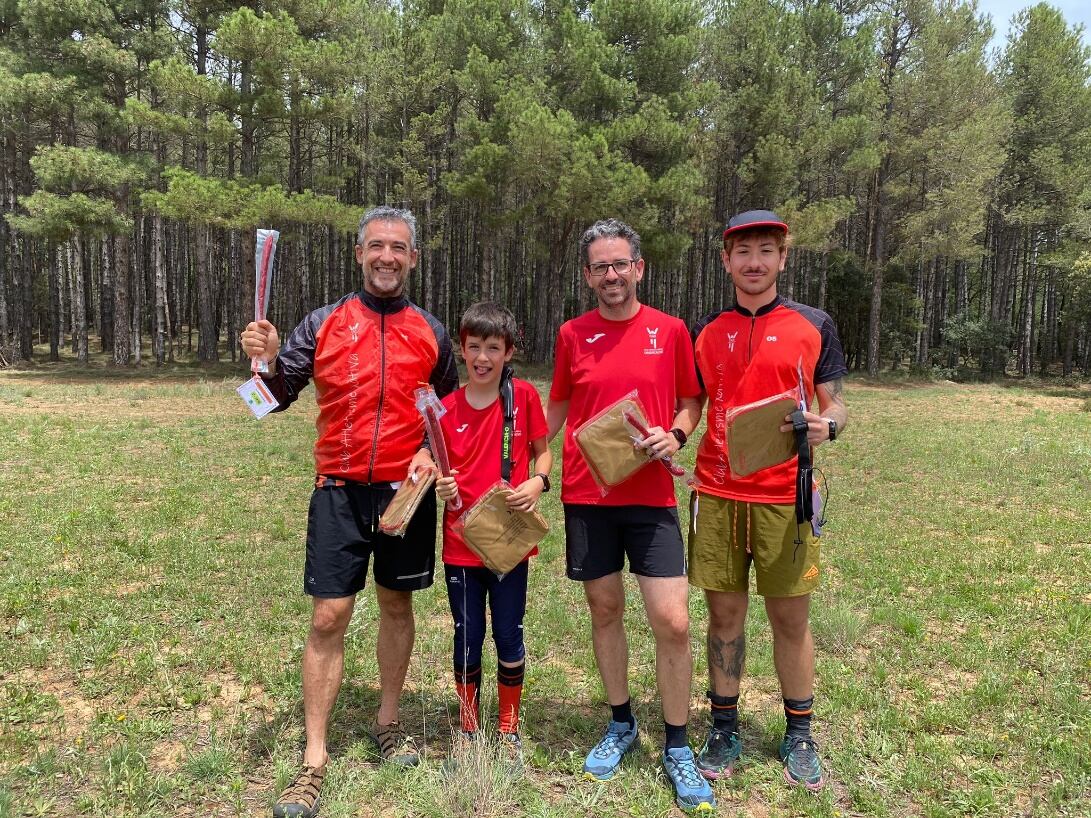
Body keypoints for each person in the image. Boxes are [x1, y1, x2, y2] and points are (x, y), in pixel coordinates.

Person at [240, 206, 458, 818]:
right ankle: (314, 759)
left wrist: (429, 451)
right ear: (359, 254)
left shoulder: (431, 331)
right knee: (329, 616)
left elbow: (447, 410)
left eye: (399, 248)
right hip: (337, 489)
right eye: (376, 246)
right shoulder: (323, 322)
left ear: (413, 259)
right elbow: (265, 402)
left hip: (405, 493)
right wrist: (266, 361)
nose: (387, 256)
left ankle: (388, 721)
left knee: (397, 602)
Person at [546, 218, 715, 813]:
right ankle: (621, 722)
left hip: (651, 497)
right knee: (605, 609)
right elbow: (557, 406)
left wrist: (676, 434)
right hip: (587, 496)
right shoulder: (572, 334)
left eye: (621, 264)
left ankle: (678, 744)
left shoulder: (670, 331)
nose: (612, 275)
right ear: (587, 275)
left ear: (639, 268)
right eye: (601, 267)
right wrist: (528, 463)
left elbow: (691, 401)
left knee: (673, 621)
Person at [688, 209, 849, 791]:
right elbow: (693, 402)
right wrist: (675, 433)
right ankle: (723, 727)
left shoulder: (813, 324)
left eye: (765, 251)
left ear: (783, 258)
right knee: (724, 615)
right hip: (717, 493)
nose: (753, 262)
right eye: (743, 252)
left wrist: (829, 426)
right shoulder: (706, 328)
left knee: (790, 617)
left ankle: (800, 733)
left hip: (787, 494)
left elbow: (835, 404)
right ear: (726, 260)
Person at [433, 302, 553, 753]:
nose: (483, 358)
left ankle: (508, 728)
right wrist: (439, 482)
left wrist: (538, 481)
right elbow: (432, 461)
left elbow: (543, 452)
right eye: (474, 347)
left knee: (507, 632)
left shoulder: (523, 398)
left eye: (493, 348)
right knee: (467, 634)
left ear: (509, 351)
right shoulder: (445, 408)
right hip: (460, 544)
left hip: (508, 544)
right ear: (462, 350)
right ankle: (468, 728)